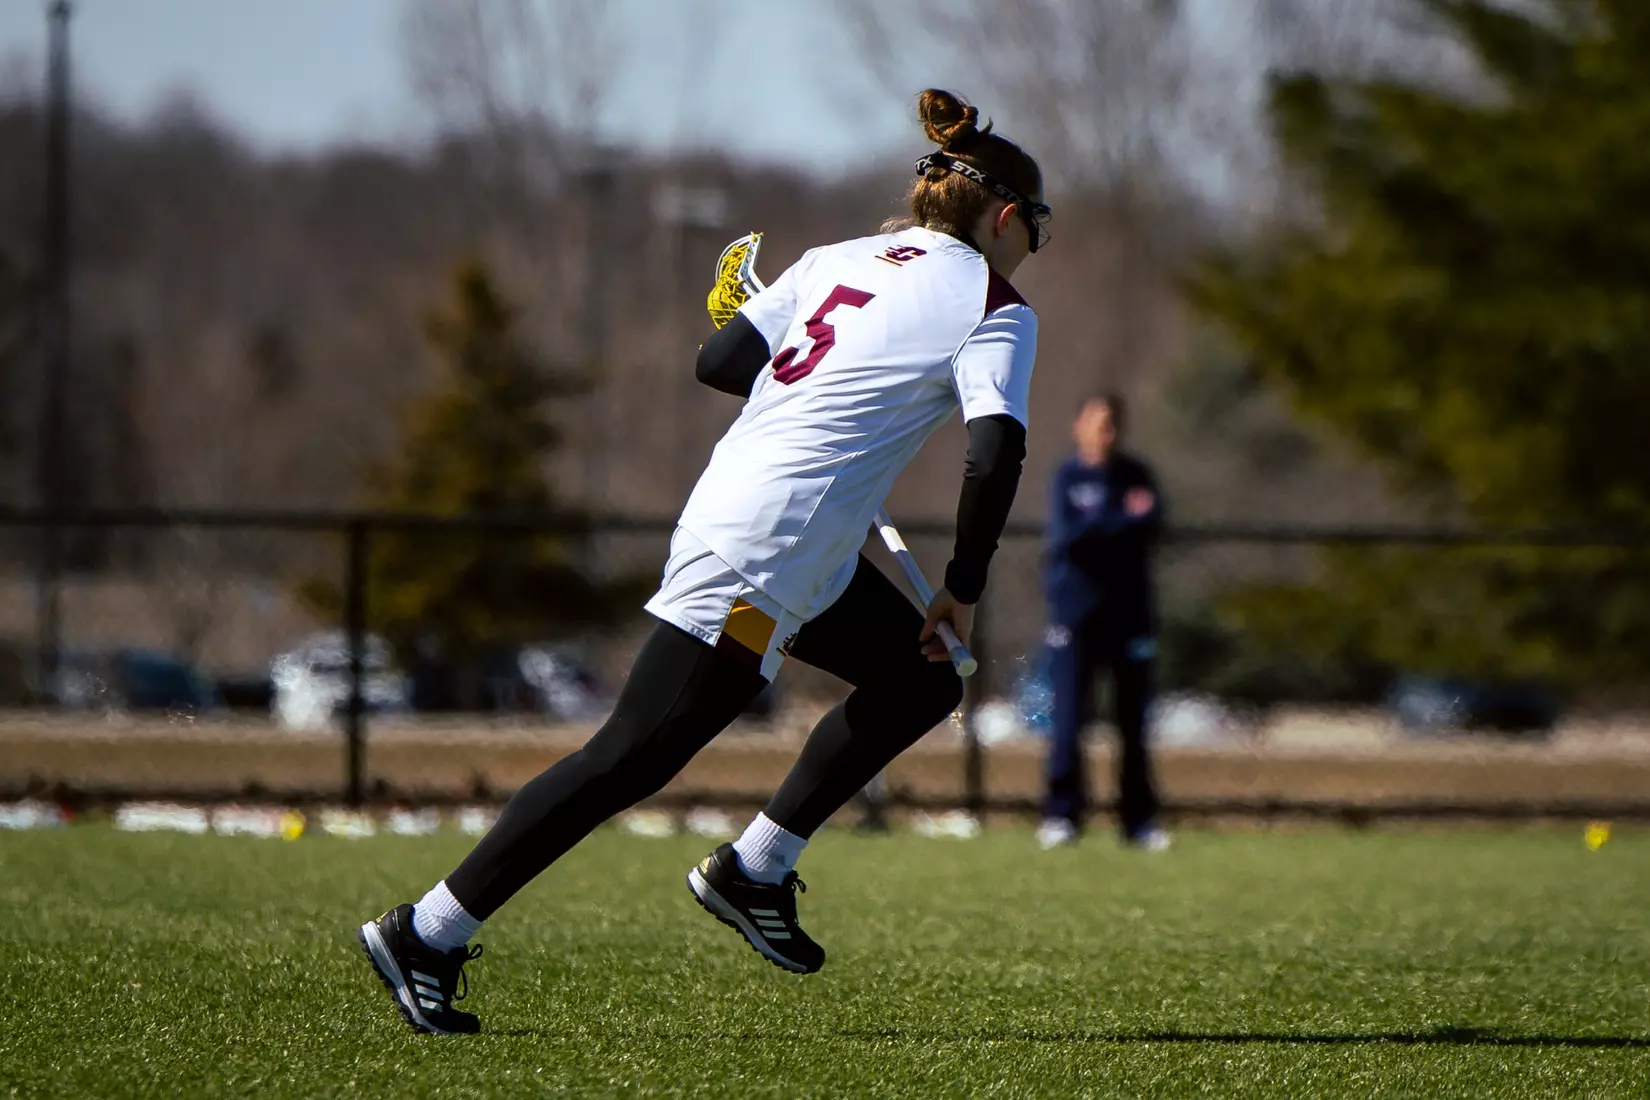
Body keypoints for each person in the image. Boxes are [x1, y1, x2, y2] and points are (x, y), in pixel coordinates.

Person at [358, 88, 1050, 1035]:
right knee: (630, 755)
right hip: (766, 549)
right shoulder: (997, 305)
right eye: (1036, 229)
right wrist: (962, 588)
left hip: (780, 536)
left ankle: (754, 869)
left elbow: (721, 363)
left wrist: (761, 320)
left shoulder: (834, 259)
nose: (1033, 249)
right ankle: (425, 933)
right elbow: (995, 452)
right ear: (1004, 217)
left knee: (922, 679)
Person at [1035, 394, 1169, 851]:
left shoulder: (1137, 475)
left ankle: (1139, 821)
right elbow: (1070, 538)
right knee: (1069, 721)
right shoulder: (1067, 479)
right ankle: (1061, 816)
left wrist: (1103, 525)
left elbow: (1152, 527)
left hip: (1129, 617)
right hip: (1075, 617)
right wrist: (1120, 520)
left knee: (1133, 723)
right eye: (1096, 423)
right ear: (1078, 427)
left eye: (1111, 424)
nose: (1104, 432)